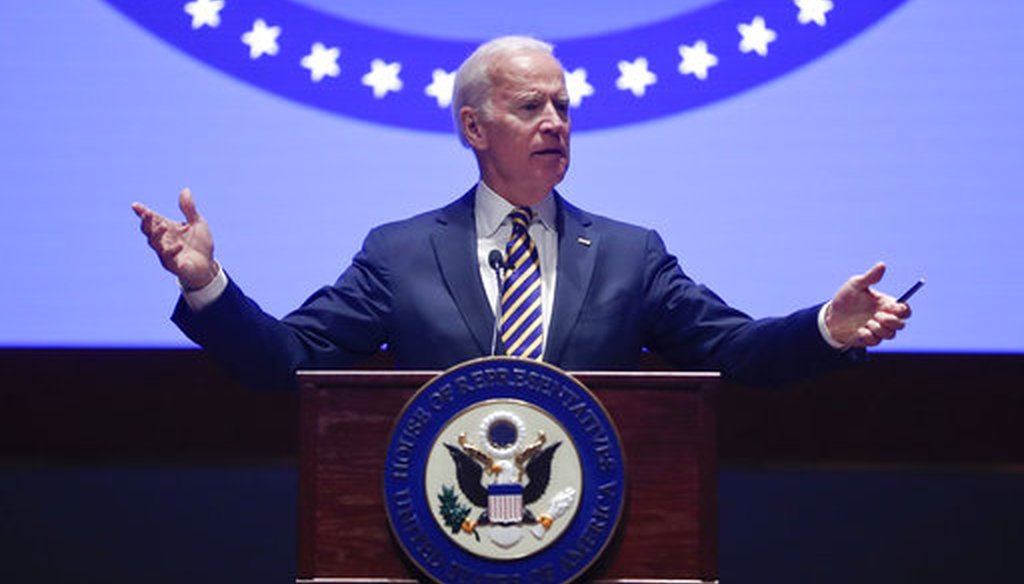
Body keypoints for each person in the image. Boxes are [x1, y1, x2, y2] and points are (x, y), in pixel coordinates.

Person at [132, 36, 910, 391]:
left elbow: (732, 353)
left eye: (564, 108)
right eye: (530, 105)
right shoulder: (399, 253)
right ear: (474, 128)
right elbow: (289, 362)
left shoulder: (631, 255)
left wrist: (824, 330)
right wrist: (207, 284)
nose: (556, 122)